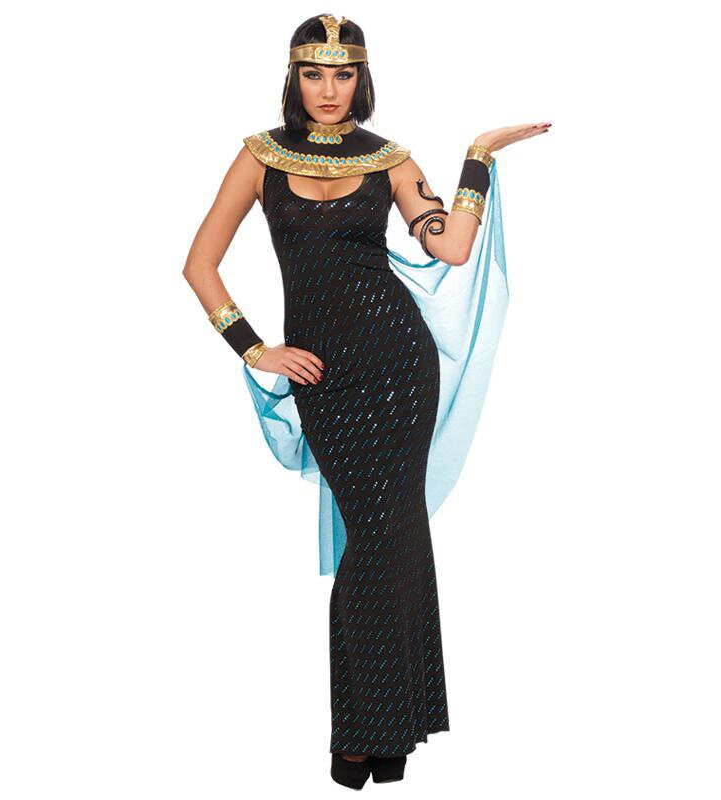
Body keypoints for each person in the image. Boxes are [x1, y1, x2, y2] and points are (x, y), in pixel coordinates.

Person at [182, 13, 550, 790]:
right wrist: (254, 348)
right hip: (326, 379)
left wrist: (478, 157)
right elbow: (199, 265)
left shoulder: (391, 159)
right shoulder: (259, 156)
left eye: (343, 73)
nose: (328, 88)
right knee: (380, 538)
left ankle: (368, 736)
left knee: (388, 535)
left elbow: (450, 246)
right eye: (314, 73)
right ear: (295, 76)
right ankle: (387, 724)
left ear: (361, 77)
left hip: (397, 364)